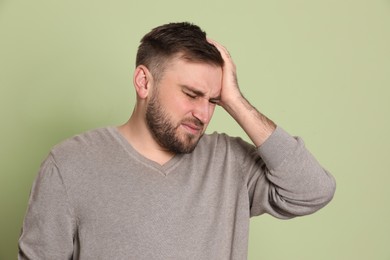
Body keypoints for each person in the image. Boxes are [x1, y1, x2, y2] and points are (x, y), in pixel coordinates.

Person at [18, 22, 336, 259]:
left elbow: (312, 190)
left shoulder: (230, 163)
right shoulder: (71, 164)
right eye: (191, 94)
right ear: (144, 82)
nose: (203, 113)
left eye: (214, 100)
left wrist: (236, 101)